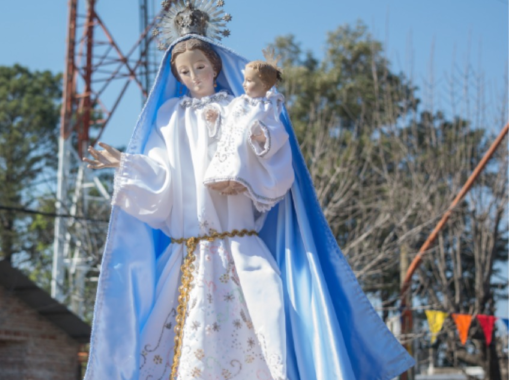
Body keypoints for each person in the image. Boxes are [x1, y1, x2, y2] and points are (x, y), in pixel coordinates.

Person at [81, 2, 414, 379]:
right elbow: (162, 175)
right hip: (187, 255)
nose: (194, 77)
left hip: (241, 250)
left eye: (200, 67)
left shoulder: (238, 107)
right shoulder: (169, 115)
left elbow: (270, 149)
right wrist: (125, 164)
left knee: (263, 332)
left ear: (216, 66)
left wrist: (259, 136)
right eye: (185, 71)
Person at [204, 47, 293, 211]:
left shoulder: (267, 106)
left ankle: (237, 184)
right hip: (232, 138)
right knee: (229, 158)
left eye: (250, 81)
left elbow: (277, 128)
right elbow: (228, 113)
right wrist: (217, 117)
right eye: (244, 80)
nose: (244, 84)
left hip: (247, 142)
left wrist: (263, 135)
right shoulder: (239, 101)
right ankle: (226, 183)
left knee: (240, 159)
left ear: (264, 84)